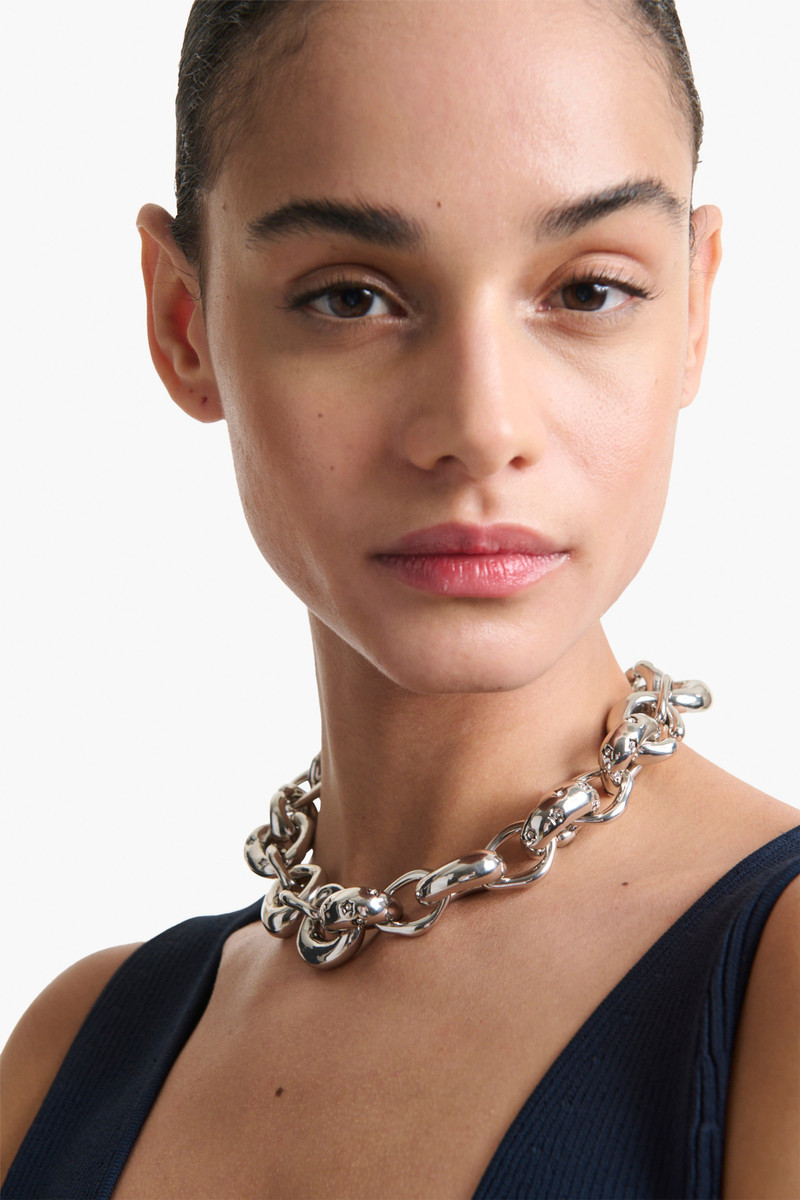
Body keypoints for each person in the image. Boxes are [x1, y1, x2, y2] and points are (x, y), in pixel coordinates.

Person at [2, 1, 798, 1197]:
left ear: (693, 310)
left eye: (587, 291)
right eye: (350, 297)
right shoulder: (73, 1054)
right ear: (183, 323)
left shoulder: (771, 987)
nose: (479, 427)